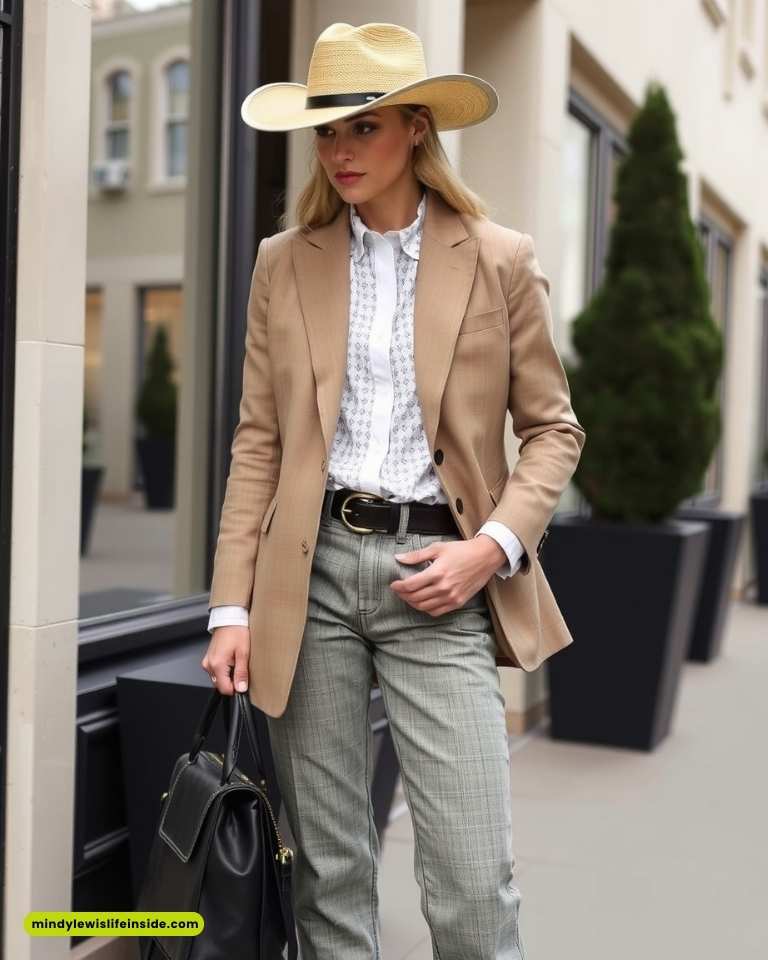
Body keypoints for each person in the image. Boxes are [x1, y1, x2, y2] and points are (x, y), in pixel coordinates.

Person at [202, 21, 586, 960]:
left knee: (469, 880)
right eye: (326, 132)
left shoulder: (497, 257)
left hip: (442, 578)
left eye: (362, 129)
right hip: (312, 580)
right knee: (331, 878)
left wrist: (488, 547)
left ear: (416, 128)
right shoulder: (282, 261)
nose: (339, 152)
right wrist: (228, 606)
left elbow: (553, 430)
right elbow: (259, 440)